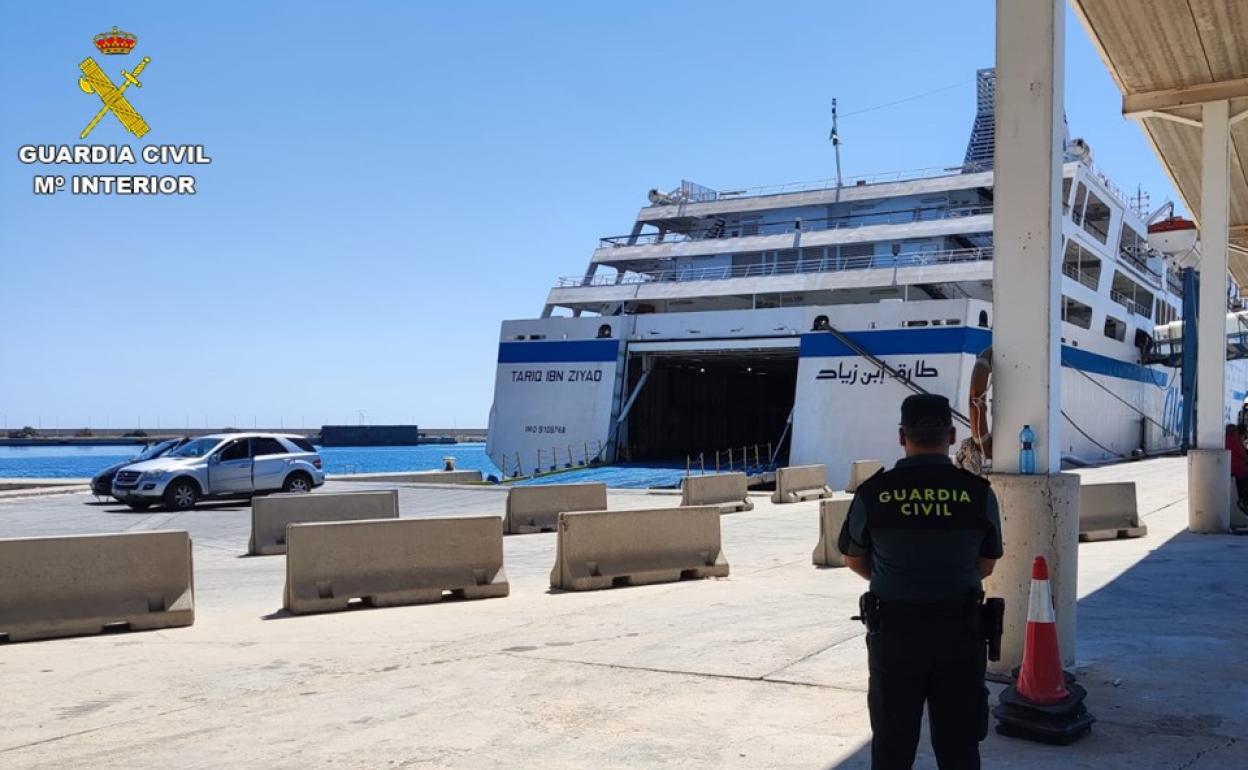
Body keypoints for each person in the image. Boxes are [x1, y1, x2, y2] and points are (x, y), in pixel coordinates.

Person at [838, 393, 1004, 770]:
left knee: (892, 748)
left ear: (902, 436)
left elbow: (851, 556)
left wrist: (892, 579)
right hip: (960, 633)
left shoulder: (873, 492)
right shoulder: (977, 493)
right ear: (951, 435)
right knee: (960, 747)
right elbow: (989, 562)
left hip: (895, 634)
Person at [1225, 423, 1248, 511]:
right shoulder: (1233, 439)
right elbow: (1243, 454)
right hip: (1237, 467)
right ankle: (1243, 500)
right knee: (1244, 476)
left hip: (1230, 466)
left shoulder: (1225, 439)